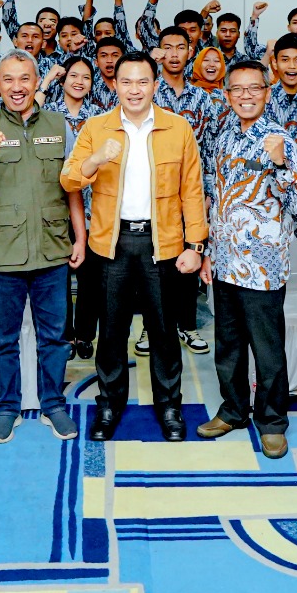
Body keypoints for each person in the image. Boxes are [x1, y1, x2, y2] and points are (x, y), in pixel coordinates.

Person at [63, 49, 207, 443]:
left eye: (143, 81)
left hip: (163, 244)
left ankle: (170, 406)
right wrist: (95, 159)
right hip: (110, 244)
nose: (134, 89)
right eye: (125, 81)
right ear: (113, 85)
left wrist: (196, 244)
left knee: (163, 330)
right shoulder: (97, 127)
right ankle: (109, 406)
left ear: (155, 85)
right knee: (111, 331)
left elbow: (192, 191)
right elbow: (69, 180)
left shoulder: (178, 128)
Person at [0, 51, 84, 443]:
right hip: (2, 253)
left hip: (52, 248)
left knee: (54, 336)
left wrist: (81, 236)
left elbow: (72, 185)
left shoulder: (59, 125)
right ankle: (6, 408)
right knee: (3, 338)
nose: (17, 87)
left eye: (25, 78)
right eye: (8, 80)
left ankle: (54, 405)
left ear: (36, 79)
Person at [195, 60, 297, 460]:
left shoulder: (281, 140)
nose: (245, 95)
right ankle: (234, 410)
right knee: (229, 345)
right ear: (226, 95)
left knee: (268, 349)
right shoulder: (222, 139)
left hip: (264, 266)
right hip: (225, 262)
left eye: (253, 88)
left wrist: (280, 165)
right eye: (236, 89)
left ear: (266, 92)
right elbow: (215, 201)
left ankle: (272, 421)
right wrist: (206, 252)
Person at [149, 26, 224, 356]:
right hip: (154, 191)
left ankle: (188, 325)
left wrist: (207, 193)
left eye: (181, 47)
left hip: (192, 191)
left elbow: (209, 149)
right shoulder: (149, 92)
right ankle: (153, 328)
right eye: (167, 47)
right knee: (155, 264)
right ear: (159, 52)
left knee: (189, 261)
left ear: (190, 52)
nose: (174, 54)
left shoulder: (203, 99)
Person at [42, 58, 105, 358]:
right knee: (60, 277)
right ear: (63, 80)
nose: (79, 81)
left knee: (91, 276)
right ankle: (65, 335)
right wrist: (45, 81)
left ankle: (85, 334)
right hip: (55, 204)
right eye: (73, 76)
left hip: (94, 205)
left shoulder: (100, 117)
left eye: (86, 77)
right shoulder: (49, 114)